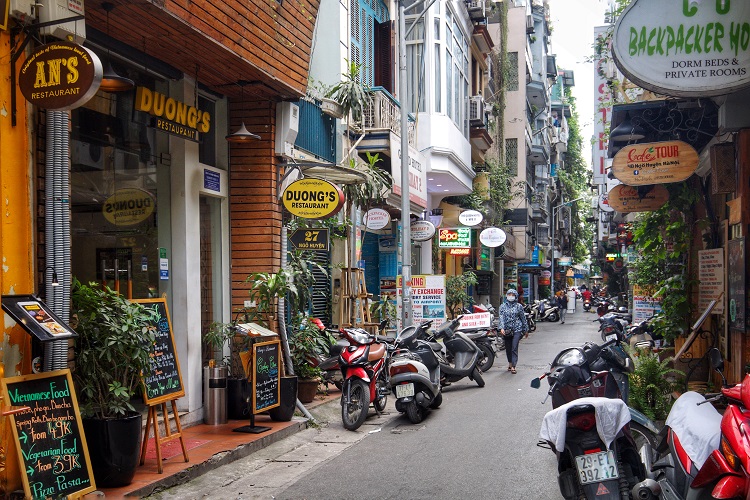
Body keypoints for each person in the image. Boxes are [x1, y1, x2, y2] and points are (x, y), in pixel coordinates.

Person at [498, 288, 528, 374]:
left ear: (516, 296)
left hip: (517, 329)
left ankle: (514, 366)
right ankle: (510, 363)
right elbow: (501, 318)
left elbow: (523, 318)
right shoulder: (502, 306)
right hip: (507, 330)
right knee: (508, 348)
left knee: (514, 347)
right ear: (506, 296)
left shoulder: (519, 306)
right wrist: (502, 328)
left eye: (513, 295)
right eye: (509, 295)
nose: (511, 296)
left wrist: (526, 329)